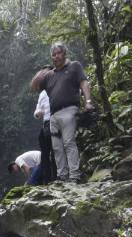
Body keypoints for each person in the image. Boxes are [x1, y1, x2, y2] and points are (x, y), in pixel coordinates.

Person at [31, 44, 93, 183]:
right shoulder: (49, 75)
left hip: (69, 110)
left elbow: (84, 83)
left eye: (59, 53)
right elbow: (34, 86)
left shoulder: (74, 66)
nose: (56, 56)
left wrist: (88, 101)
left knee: (69, 142)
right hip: (53, 116)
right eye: (53, 55)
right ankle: (62, 176)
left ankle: (74, 175)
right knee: (57, 147)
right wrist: (42, 73)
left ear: (65, 53)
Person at [32, 77, 57, 184]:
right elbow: (37, 110)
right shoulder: (42, 93)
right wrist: (38, 113)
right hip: (46, 123)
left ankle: (56, 177)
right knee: (45, 153)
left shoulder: (57, 86)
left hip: (55, 120)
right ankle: (47, 179)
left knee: (55, 150)